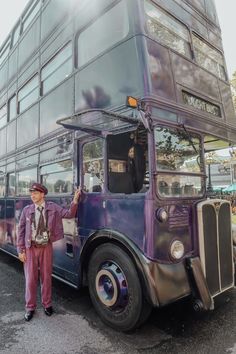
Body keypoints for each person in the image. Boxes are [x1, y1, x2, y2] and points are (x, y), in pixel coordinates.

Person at [17, 182, 81, 321]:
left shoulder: (53, 207)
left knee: (46, 277)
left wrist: (75, 200)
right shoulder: (27, 210)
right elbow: (21, 231)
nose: (32, 195)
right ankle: (30, 307)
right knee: (30, 280)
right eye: (31, 193)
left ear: (42, 194)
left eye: (35, 193)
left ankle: (47, 305)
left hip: (46, 247)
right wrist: (20, 250)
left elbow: (69, 214)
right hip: (30, 248)